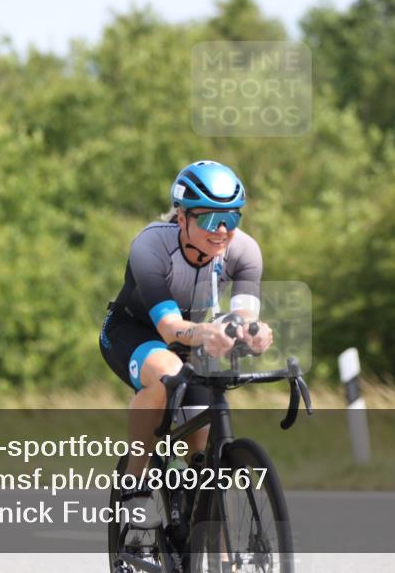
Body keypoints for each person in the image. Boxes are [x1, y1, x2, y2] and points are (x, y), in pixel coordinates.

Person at [100, 160, 273, 520]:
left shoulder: (245, 252)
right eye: (210, 219)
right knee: (166, 374)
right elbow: (167, 328)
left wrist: (252, 332)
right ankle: (137, 479)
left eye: (232, 219)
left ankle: (210, 543)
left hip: (193, 337)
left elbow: (243, 316)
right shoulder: (150, 245)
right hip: (134, 331)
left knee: (201, 454)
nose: (222, 230)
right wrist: (208, 332)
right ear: (182, 219)